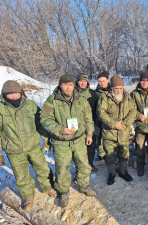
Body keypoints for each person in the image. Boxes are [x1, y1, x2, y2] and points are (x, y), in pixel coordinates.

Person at [0, 80, 56, 210]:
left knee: (43, 168)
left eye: (16, 93)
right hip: (13, 150)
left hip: (33, 146)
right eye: (10, 94)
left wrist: (45, 140)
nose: (13, 96)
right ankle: (28, 196)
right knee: (21, 175)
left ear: (20, 92)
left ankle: (48, 187)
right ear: (4, 94)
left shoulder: (31, 105)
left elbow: (40, 124)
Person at [40, 74, 96, 208]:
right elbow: (44, 120)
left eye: (70, 84)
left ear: (73, 85)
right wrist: (60, 129)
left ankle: (84, 186)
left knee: (83, 164)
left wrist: (89, 134)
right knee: (62, 168)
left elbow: (88, 117)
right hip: (61, 142)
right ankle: (64, 192)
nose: (68, 87)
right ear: (60, 85)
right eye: (65, 84)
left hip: (79, 140)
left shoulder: (81, 99)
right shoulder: (52, 100)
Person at [97, 75, 136, 185]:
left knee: (124, 153)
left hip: (123, 132)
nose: (118, 90)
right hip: (110, 133)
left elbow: (133, 111)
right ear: (112, 87)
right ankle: (112, 173)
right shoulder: (105, 97)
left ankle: (123, 172)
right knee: (110, 154)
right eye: (116, 88)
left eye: (120, 88)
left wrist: (124, 123)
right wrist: (114, 124)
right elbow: (101, 112)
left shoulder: (127, 97)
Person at [76, 73, 98, 172]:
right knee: (79, 149)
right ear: (77, 82)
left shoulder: (93, 93)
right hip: (77, 125)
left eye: (85, 81)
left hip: (91, 124)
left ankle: (89, 164)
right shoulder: (73, 93)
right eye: (81, 81)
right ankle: (80, 168)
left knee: (91, 147)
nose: (83, 83)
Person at [93, 71, 111, 163]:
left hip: (110, 118)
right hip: (98, 118)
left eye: (104, 81)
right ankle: (101, 155)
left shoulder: (112, 90)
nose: (102, 83)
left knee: (109, 136)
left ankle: (110, 154)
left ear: (108, 80)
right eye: (100, 81)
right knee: (99, 137)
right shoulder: (96, 92)